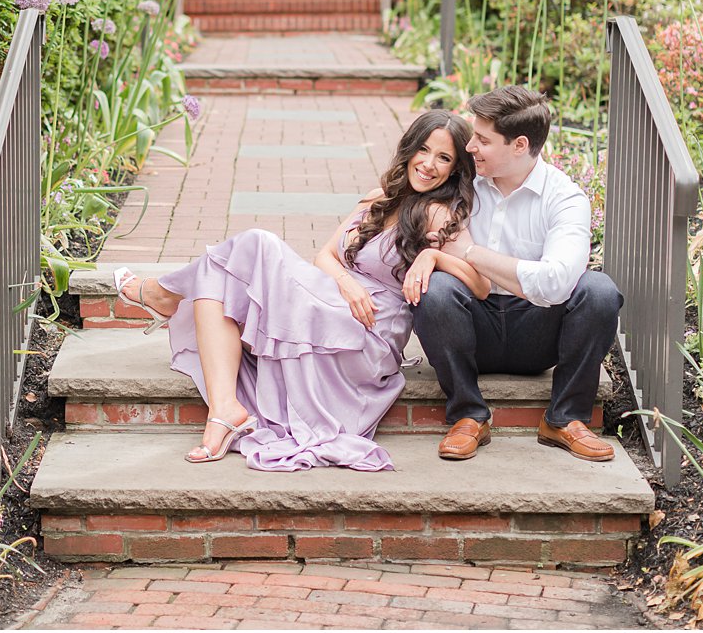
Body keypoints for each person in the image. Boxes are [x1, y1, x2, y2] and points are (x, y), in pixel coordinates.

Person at [112, 110, 487, 471]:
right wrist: (347, 282)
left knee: (256, 245)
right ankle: (223, 410)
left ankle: (164, 296)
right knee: (224, 270)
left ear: (455, 169)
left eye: (443, 157)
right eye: (423, 150)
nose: (428, 164)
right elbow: (325, 254)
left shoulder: (440, 213)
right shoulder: (380, 198)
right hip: (336, 299)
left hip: (366, 333)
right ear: (410, 149)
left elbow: (481, 285)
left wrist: (432, 258)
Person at [411, 85, 622, 464]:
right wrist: (430, 254)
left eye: (482, 140)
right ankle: (468, 416)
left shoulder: (565, 198)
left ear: (520, 145)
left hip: (538, 332)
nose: (470, 146)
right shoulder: (463, 184)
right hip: (472, 326)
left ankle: (565, 419)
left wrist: (472, 253)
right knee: (436, 290)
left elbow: (557, 284)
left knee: (599, 290)